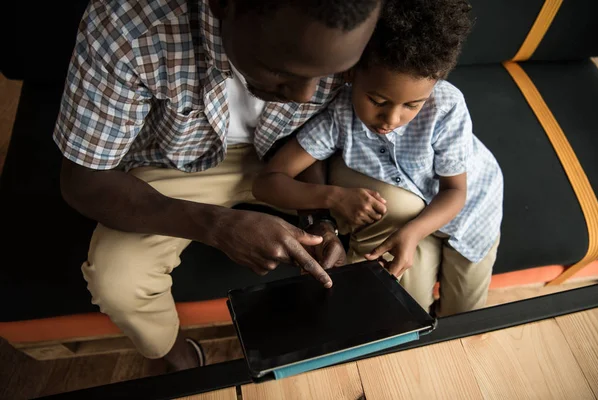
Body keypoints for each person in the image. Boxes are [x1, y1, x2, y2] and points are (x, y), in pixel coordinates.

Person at [54, 0, 381, 370]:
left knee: (387, 213)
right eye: (281, 71)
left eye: (332, 74)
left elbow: (312, 134)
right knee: (117, 279)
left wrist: (318, 220)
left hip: (292, 158)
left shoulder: (362, 21)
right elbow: (83, 181)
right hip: (174, 164)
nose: (305, 96)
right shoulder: (128, 26)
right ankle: (181, 360)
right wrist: (217, 226)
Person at [253, 0, 503, 317]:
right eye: (377, 100)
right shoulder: (339, 115)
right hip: (412, 219)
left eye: (412, 105)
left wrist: (412, 233)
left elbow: (455, 191)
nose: (392, 118)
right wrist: (334, 197)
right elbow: (267, 183)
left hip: (471, 213)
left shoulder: (446, 106)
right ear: (352, 74)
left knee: (463, 315)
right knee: (408, 309)